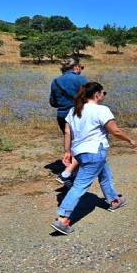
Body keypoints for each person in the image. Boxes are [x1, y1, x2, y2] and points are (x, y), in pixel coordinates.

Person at [50, 82, 136, 235]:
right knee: (80, 186)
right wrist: (129, 140)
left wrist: (67, 151)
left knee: (105, 173)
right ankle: (63, 219)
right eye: (104, 93)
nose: (104, 95)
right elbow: (115, 130)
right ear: (97, 94)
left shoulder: (74, 111)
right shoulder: (101, 110)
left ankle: (114, 200)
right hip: (95, 151)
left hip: (80, 153)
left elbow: (67, 132)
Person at [49, 57, 87, 187]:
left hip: (61, 116)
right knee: (80, 143)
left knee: (70, 144)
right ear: (76, 67)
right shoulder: (80, 79)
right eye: (81, 67)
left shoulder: (56, 81)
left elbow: (52, 103)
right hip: (78, 115)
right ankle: (70, 174)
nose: (81, 70)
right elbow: (88, 98)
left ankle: (71, 172)